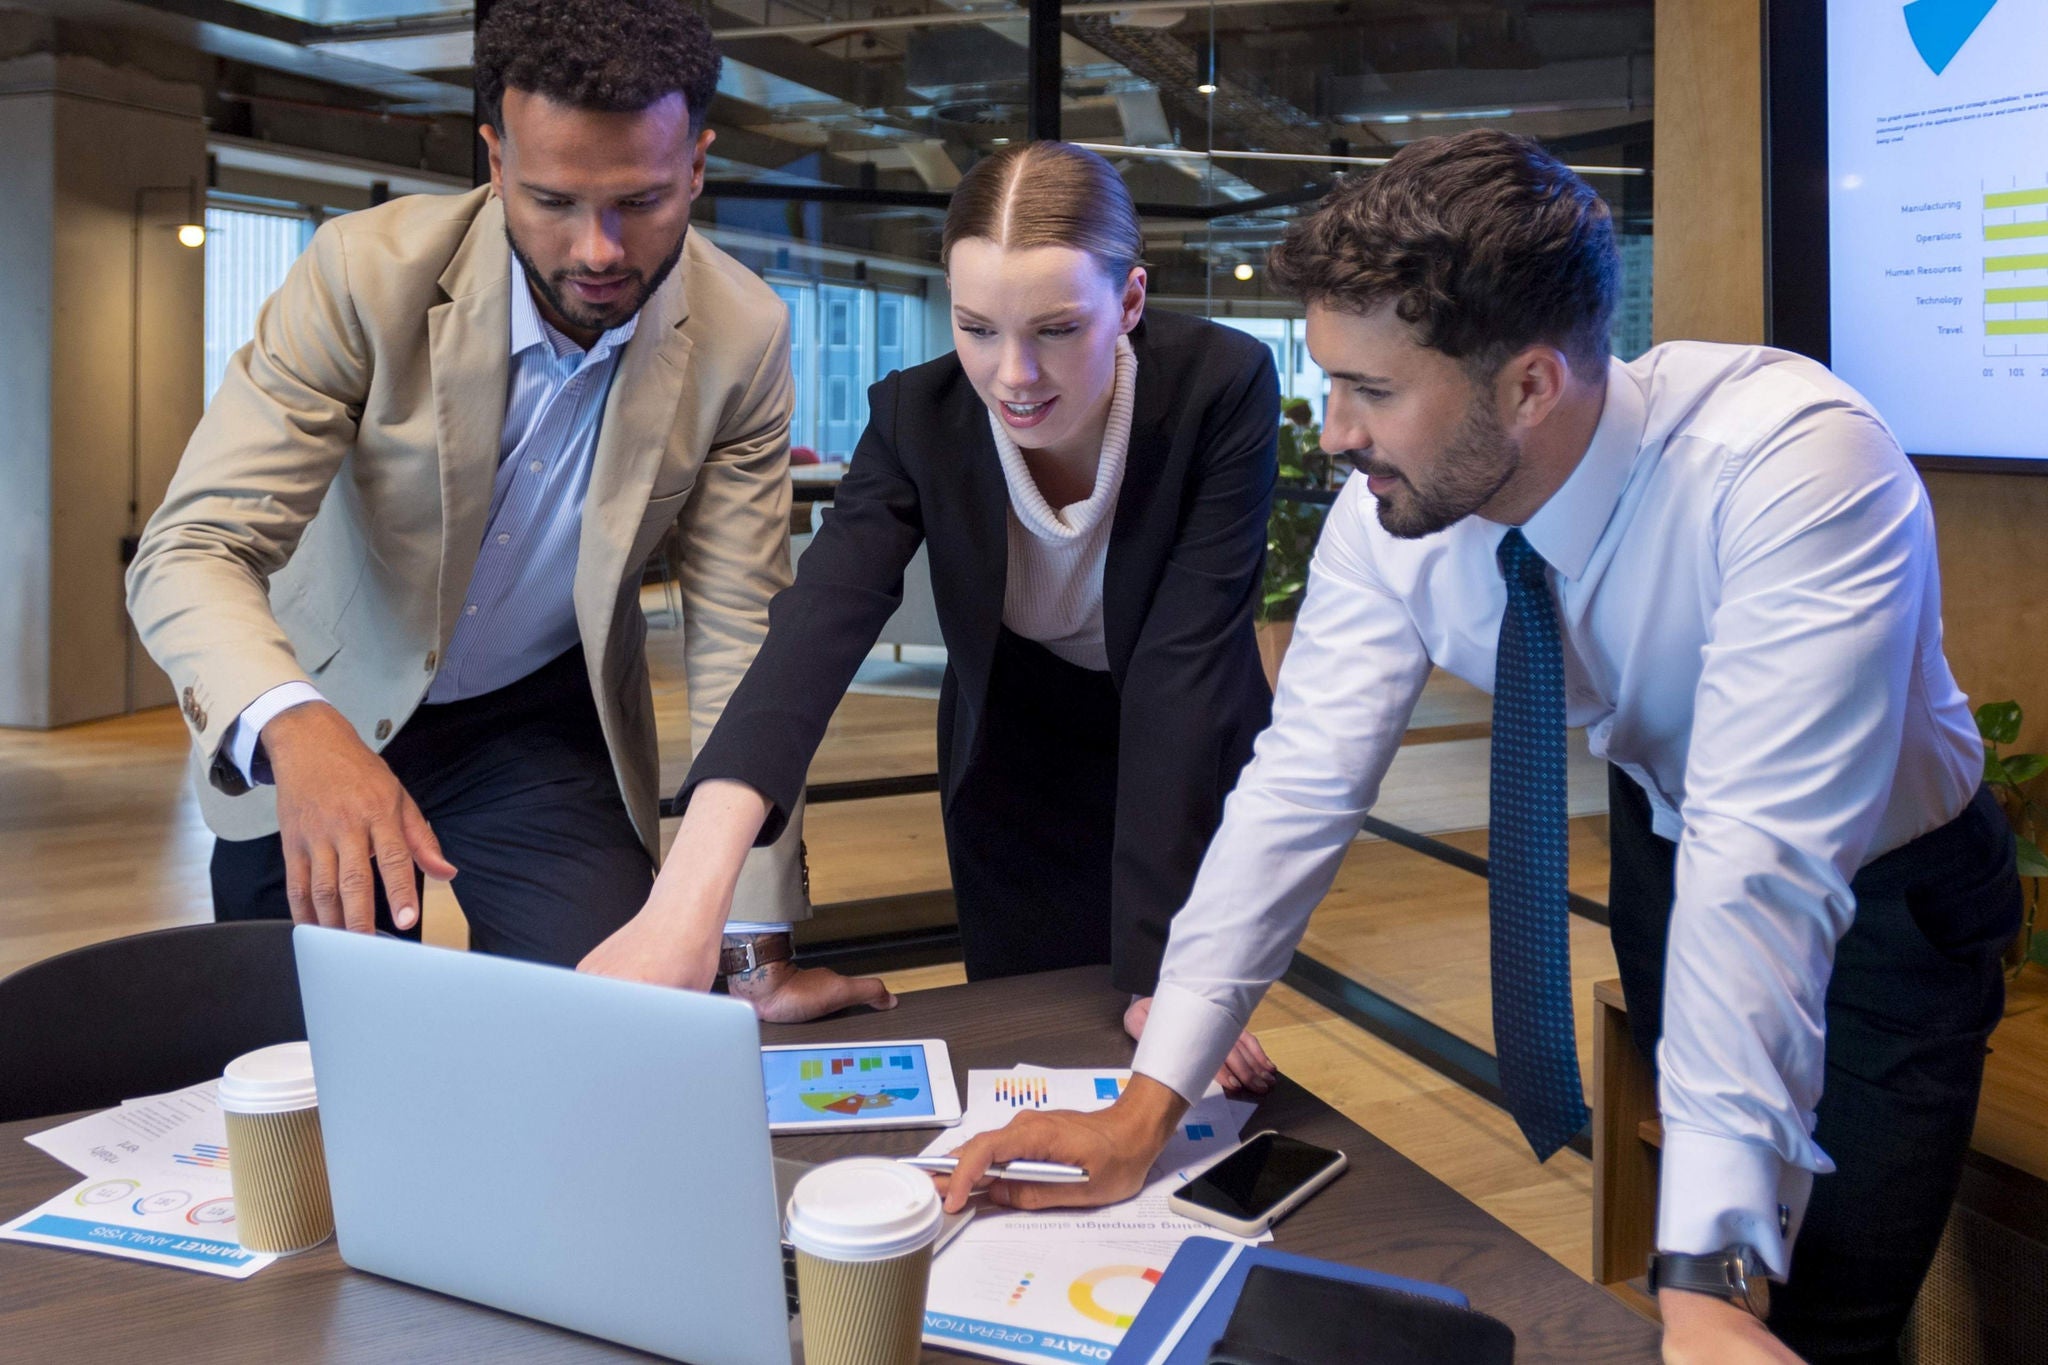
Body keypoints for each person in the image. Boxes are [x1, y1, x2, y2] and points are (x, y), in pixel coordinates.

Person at [937, 130, 2020, 1365]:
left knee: (1822, 1311)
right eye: (1326, 380)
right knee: (1725, 1257)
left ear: (1527, 386)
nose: (1332, 433)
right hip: (1672, 853)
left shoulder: (1793, 467)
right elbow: (1296, 788)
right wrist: (1150, 1105)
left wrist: (1704, 1276)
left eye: (1373, 393)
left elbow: (1763, 858)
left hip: (1894, 895)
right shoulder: (1389, 509)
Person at [582, 142, 1281, 1088]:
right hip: (1015, 745)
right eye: (977, 328)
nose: (1012, 375)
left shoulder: (1220, 388)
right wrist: (685, 900)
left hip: (1186, 743)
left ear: (1130, 302)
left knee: (1162, 1032)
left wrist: (1166, 971)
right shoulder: (921, 416)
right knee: (1032, 1036)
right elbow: (814, 633)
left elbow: (1183, 668)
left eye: (1057, 329)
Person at [125, 0, 807, 964]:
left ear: (695, 164)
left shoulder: (746, 337)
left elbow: (744, 639)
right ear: (496, 162)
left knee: (605, 1015)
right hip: (326, 695)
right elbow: (192, 548)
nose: (598, 249)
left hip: (537, 724)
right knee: (310, 1041)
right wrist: (298, 728)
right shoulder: (361, 277)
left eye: (641, 202)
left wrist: (752, 937)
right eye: (554, 201)